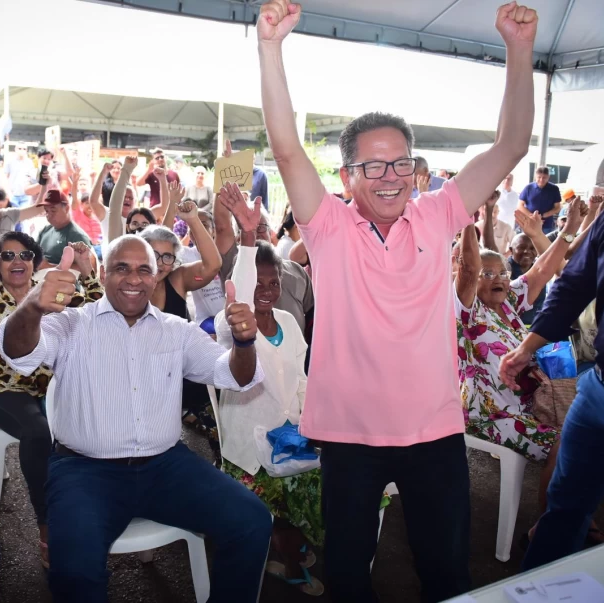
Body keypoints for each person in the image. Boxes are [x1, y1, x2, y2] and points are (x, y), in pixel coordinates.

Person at [256, 2, 538, 601]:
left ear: (415, 169)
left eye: (401, 163)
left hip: (433, 431)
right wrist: (271, 49)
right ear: (348, 174)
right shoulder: (327, 227)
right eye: (373, 165)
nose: (391, 176)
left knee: (445, 573)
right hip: (351, 437)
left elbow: (511, 145)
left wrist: (518, 51)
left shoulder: (436, 216)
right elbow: (285, 150)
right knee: (351, 574)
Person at [0, 235, 271, 602]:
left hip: (166, 468)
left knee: (252, 521)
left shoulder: (176, 330)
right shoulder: (72, 324)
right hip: (85, 472)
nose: (133, 278)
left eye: (144, 269)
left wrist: (244, 343)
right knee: (74, 570)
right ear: (103, 273)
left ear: (156, 277)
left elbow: (236, 376)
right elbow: (19, 352)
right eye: (121, 268)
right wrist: (32, 306)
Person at [503, 121, 604, 570]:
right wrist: (525, 349)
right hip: (599, 393)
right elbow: (569, 289)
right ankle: (535, 590)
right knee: (563, 506)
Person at [0, 232, 102, 569]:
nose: (17, 261)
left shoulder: (48, 293)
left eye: (25, 254)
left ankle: (93, 515)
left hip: (49, 388)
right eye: (7, 255)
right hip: (4, 391)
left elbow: (96, 312)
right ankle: (46, 526)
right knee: (38, 432)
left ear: (35, 261)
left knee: (94, 420)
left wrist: (88, 272)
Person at [457, 196, 585, 537]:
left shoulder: (510, 301)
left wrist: (570, 229)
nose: (497, 278)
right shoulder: (466, 313)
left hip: (531, 403)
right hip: (490, 413)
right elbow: (468, 267)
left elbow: (543, 269)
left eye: (502, 272)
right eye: (489, 274)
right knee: (568, 442)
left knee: (589, 434)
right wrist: (466, 214)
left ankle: (574, 518)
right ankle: (547, 529)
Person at [213, 231, 326, 595]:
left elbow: (302, 379)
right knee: (279, 498)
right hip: (248, 445)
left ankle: (286, 547)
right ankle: (289, 558)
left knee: (333, 482)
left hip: (289, 437)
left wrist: (310, 423)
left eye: (273, 283)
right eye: (257, 282)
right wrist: (246, 236)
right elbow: (240, 296)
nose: (265, 290)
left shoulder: (288, 322)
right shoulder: (229, 325)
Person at [215, 182, 313, 334]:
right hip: (248, 353)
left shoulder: (296, 270)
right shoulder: (234, 267)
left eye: (261, 227)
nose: (256, 232)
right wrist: (227, 172)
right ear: (238, 239)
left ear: (271, 232)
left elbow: (312, 314)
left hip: (296, 354)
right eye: (247, 227)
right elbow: (222, 227)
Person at [35, 189, 92, 267]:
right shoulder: (44, 231)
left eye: (53, 210)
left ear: (66, 208)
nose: (49, 215)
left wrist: (49, 267)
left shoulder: (77, 236)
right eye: (46, 211)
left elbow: (87, 268)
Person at [519, 166, 561, 234]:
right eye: (539, 177)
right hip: (529, 222)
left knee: (545, 244)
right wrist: (532, 217)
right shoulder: (528, 188)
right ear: (536, 176)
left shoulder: (554, 189)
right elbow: (520, 205)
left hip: (547, 225)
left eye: (544, 177)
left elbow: (557, 207)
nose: (541, 180)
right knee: (526, 243)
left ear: (548, 177)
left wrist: (543, 216)